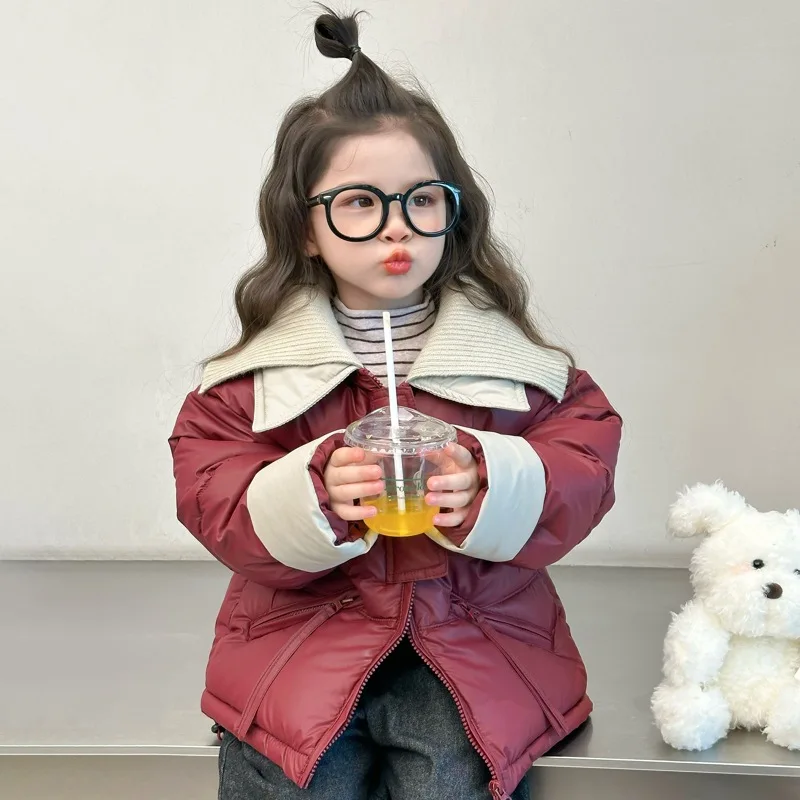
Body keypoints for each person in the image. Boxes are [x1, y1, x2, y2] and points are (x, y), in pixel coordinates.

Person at [169, 8, 622, 800]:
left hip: (476, 633)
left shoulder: (518, 365)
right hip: (301, 632)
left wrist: (494, 481)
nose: (396, 229)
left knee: (454, 773)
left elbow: (585, 456)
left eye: (421, 200)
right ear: (304, 229)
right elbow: (211, 485)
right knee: (291, 773)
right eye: (358, 202)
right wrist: (310, 493)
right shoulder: (253, 378)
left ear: (454, 210)